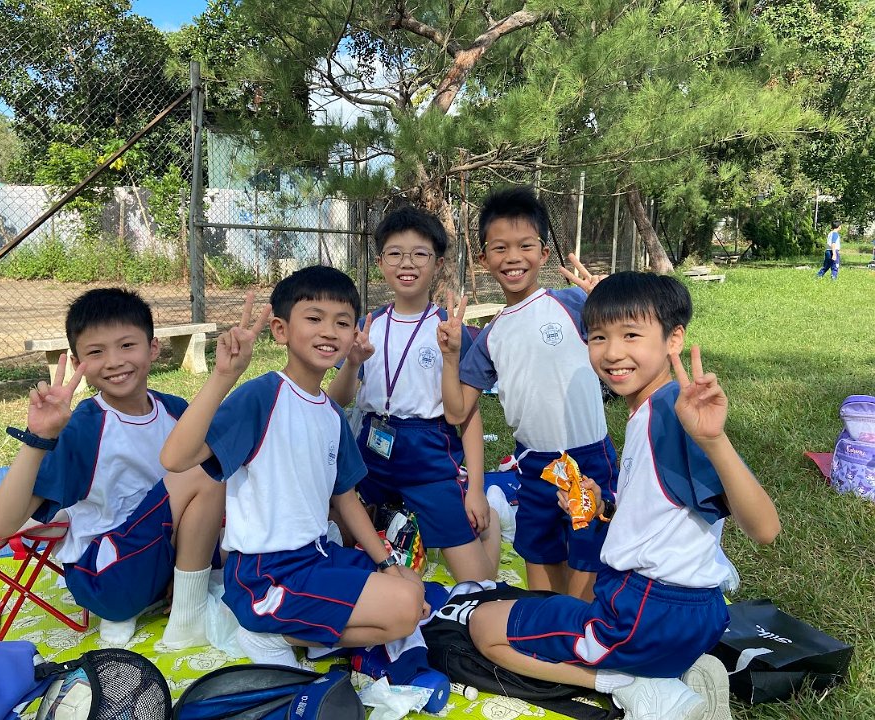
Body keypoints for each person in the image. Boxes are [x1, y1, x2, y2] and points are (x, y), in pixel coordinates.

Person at [468, 268, 781, 720]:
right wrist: (606, 506)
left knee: (484, 627)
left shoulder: (674, 415)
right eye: (598, 337)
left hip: (645, 614)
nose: (613, 352)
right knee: (556, 604)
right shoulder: (649, 410)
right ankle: (668, 671)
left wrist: (715, 440)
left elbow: (765, 528)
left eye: (631, 335)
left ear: (674, 339)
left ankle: (632, 685)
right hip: (700, 615)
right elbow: (666, 513)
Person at [160, 266, 427, 668]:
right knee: (405, 607)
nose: (329, 332)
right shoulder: (261, 397)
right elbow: (175, 459)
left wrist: (388, 564)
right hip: (266, 574)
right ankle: (266, 630)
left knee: (413, 588)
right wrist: (223, 377)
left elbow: (347, 498)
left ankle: (306, 635)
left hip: (317, 557)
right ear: (281, 330)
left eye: (342, 322)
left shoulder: (331, 414)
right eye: (314, 318)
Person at [0, 288, 224, 648]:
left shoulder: (175, 410)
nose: (114, 361)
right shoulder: (83, 427)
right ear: (77, 362)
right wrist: (39, 437)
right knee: (202, 473)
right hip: (107, 577)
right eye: (96, 352)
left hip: (165, 557)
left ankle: (181, 586)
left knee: (253, 542)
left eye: (127, 345)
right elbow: (0, 525)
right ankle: (188, 614)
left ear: (153, 348)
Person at [439, 186, 618, 599]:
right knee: (541, 574)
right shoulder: (490, 336)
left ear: (544, 253)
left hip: (589, 459)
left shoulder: (574, 304)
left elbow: (626, 341)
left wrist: (607, 302)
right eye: (500, 247)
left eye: (525, 245)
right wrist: (450, 357)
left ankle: (585, 628)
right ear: (483, 259)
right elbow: (457, 412)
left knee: (587, 567)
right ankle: (548, 628)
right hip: (534, 466)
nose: (513, 257)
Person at [327, 206, 500, 583]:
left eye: (420, 254)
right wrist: (353, 363)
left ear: (438, 263)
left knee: (478, 582)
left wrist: (476, 490)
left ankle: (490, 526)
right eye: (395, 253)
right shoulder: (366, 326)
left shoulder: (450, 330)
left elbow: (469, 417)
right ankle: (393, 522)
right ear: (380, 262)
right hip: (372, 449)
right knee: (332, 528)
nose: (407, 263)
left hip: (428, 455)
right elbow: (337, 399)